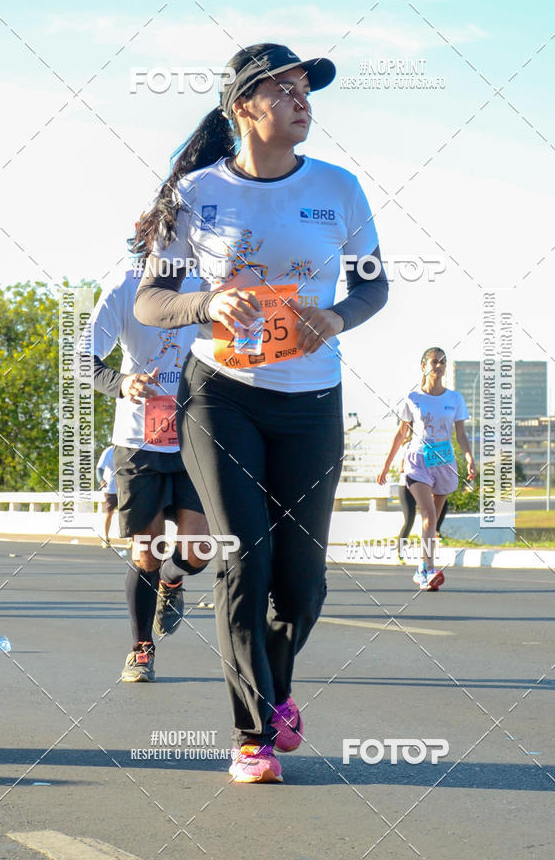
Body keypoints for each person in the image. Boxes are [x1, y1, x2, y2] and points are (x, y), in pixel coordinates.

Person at [133, 42, 388, 783]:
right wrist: (208, 301)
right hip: (220, 397)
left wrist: (335, 320)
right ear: (243, 105)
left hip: (312, 401)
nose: (303, 99)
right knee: (246, 556)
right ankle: (253, 737)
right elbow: (153, 299)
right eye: (285, 88)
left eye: (307, 88)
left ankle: (274, 691)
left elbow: (374, 289)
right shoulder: (196, 196)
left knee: (302, 582)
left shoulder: (340, 190)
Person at [77, 259, 210, 684]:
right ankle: (140, 649)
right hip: (140, 440)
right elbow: (82, 358)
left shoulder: (208, 278)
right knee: (146, 551)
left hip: (198, 431)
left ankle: (172, 583)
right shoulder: (125, 285)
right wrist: (121, 382)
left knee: (199, 550)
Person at [378, 347, 475, 590]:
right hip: (417, 461)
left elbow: (461, 434)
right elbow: (402, 433)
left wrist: (470, 457)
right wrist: (386, 465)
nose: (439, 365)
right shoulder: (413, 398)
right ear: (424, 366)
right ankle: (431, 569)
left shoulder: (455, 399)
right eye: (434, 361)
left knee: (432, 521)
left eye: (443, 362)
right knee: (428, 514)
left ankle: (423, 567)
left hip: (444, 462)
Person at [396, 434, 449, 564]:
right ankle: (400, 552)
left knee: (439, 507)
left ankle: (435, 534)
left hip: (424, 484)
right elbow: (401, 468)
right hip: (407, 485)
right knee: (409, 519)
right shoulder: (407, 446)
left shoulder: (429, 444)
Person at [96, 443, 118, 548]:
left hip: (125, 488)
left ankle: (131, 539)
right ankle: (106, 538)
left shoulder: (128, 449)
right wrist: (101, 480)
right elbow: (99, 468)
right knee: (109, 513)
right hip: (110, 488)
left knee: (127, 514)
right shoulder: (108, 451)